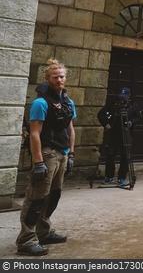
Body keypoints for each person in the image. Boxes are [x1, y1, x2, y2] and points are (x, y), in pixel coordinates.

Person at [16, 59, 76, 256]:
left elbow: (70, 128)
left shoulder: (67, 102)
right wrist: (38, 161)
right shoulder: (40, 103)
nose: (59, 79)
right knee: (36, 197)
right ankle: (26, 239)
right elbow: (34, 133)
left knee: (53, 195)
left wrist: (71, 153)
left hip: (62, 153)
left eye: (62, 76)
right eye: (55, 76)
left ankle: (43, 231)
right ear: (48, 78)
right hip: (47, 153)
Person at [97, 87, 141, 187]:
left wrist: (131, 122)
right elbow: (100, 114)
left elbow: (138, 117)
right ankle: (109, 176)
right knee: (110, 155)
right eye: (121, 97)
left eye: (124, 97)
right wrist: (106, 124)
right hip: (113, 133)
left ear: (129, 97)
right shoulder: (113, 104)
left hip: (126, 134)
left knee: (125, 156)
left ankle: (122, 178)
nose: (122, 100)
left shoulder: (133, 106)